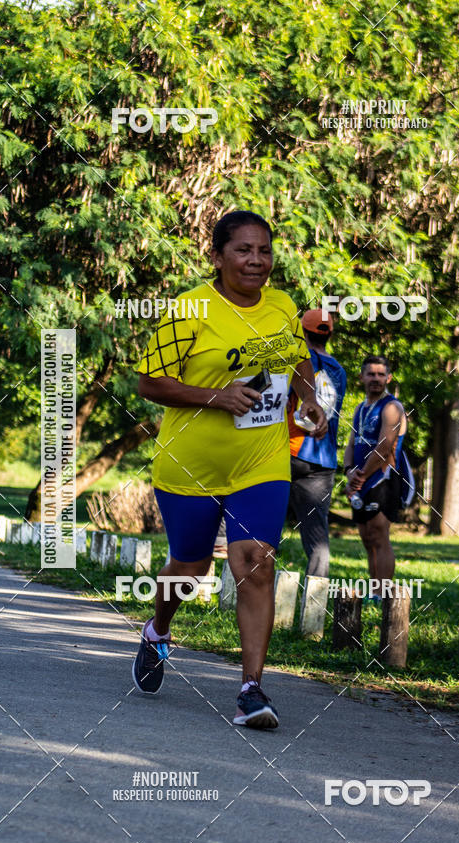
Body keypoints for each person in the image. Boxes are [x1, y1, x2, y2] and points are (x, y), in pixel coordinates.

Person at [132, 211, 327, 729]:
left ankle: (251, 691)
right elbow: (149, 383)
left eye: (264, 251)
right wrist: (216, 397)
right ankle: (157, 631)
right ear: (216, 256)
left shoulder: (284, 307)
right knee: (191, 569)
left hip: (259, 461)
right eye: (243, 250)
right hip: (190, 465)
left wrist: (309, 400)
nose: (256, 261)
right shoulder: (191, 308)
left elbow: (298, 358)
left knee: (254, 563)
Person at [343, 355, 413, 602]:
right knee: (366, 536)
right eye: (370, 374)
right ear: (361, 377)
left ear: (388, 378)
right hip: (361, 479)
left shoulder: (392, 407)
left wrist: (360, 477)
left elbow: (384, 446)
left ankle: (384, 593)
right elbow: (351, 444)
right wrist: (349, 470)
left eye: (380, 374)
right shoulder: (360, 409)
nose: (375, 379)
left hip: (383, 478)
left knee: (379, 535)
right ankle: (375, 589)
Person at [286, 309, 346, 578]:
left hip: (288, 450)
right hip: (323, 460)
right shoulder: (340, 371)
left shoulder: (298, 361)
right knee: (317, 538)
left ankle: (246, 593)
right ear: (329, 334)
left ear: (302, 331)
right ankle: (315, 604)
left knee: (263, 526)